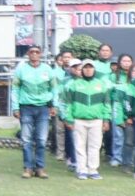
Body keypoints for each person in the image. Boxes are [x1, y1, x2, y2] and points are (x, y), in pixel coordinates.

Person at [11, 44, 57, 179]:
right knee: (26, 140)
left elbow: (54, 89)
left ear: (41, 54)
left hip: (43, 108)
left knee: (41, 140)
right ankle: (28, 168)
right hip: (26, 107)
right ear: (28, 54)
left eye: (37, 52)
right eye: (32, 52)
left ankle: (40, 168)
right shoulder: (21, 70)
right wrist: (15, 107)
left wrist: (54, 106)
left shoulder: (47, 69)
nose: (34, 54)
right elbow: (15, 89)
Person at [62, 59, 111, 180]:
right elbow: (68, 104)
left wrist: (106, 119)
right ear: (82, 70)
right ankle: (82, 170)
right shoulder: (74, 85)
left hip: (96, 120)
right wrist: (69, 119)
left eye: (90, 67)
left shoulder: (101, 84)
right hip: (79, 119)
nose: (88, 70)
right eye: (85, 67)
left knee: (95, 146)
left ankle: (93, 170)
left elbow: (107, 104)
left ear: (94, 69)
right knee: (80, 146)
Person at [108, 53, 134, 169]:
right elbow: (109, 93)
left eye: (129, 61)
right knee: (118, 135)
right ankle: (116, 158)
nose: (126, 63)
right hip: (117, 107)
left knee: (130, 136)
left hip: (131, 108)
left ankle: (129, 159)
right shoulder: (113, 76)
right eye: (124, 61)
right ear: (119, 62)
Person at [50, 50, 75, 167]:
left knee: (72, 131)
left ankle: (72, 154)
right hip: (59, 103)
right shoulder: (54, 73)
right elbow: (53, 89)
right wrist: (54, 104)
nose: (66, 59)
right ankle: (60, 153)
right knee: (60, 130)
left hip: (72, 105)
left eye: (69, 57)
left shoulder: (76, 72)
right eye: (64, 57)